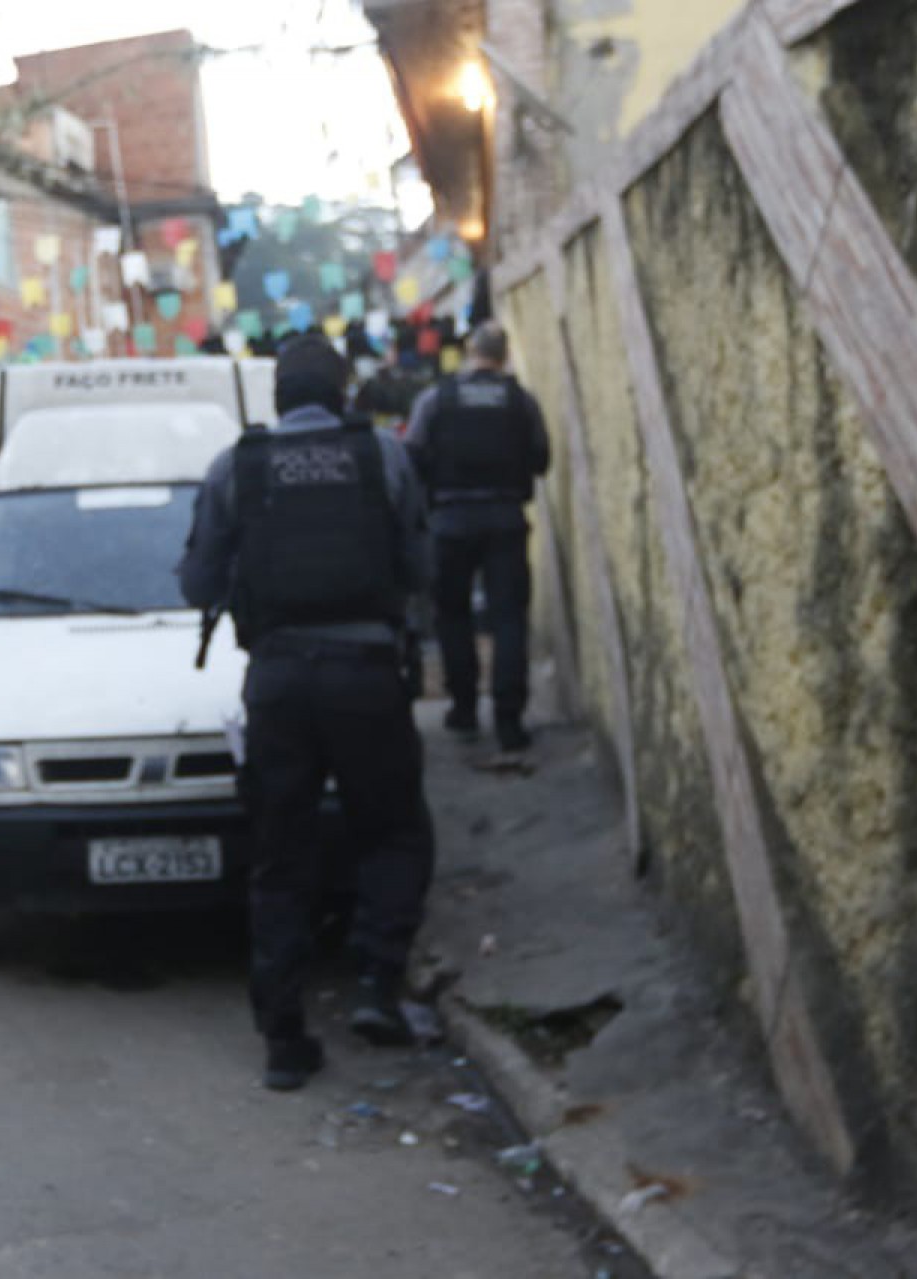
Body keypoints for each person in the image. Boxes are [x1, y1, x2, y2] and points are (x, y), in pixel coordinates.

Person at [179, 334, 437, 1092]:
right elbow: (421, 566)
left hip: (280, 681)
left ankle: (284, 1039)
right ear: (344, 388)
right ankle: (375, 990)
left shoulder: (238, 465)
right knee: (392, 832)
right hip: (366, 674)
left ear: (279, 397)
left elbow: (198, 583)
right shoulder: (381, 455)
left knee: (280, 852)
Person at [404, 320, 550, 751]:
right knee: (508, 619)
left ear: (470, 352)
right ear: (504, 355)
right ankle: (509, 720)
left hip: (449, 521)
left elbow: (413, 454)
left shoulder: (436, 399)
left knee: (453, 616)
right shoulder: (520, 401)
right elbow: (541, 458)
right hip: (505, 518)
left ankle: (464, 709)